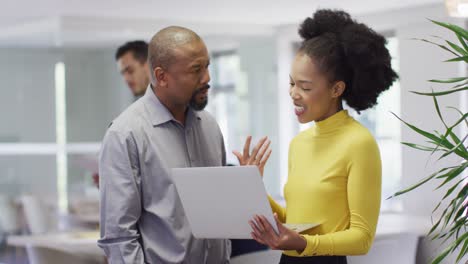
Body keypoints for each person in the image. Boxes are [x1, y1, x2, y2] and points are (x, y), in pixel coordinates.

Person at [98, 26, 271, 263]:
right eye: (196, 70)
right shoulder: (125, 134)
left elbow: (219, 217)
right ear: (161, 76)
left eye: (208, 66)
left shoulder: (209, 127)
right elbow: (118, 238)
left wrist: (243, 187)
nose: (207, 78)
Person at [242, 9, 398, 264]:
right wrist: (253, 186)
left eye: (305, 87)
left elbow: (362, 238)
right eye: (292, 83)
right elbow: (294, 222)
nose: (293, 94)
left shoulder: (359, 143)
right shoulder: (299, 144)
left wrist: (305, 244)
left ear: (336, 89)